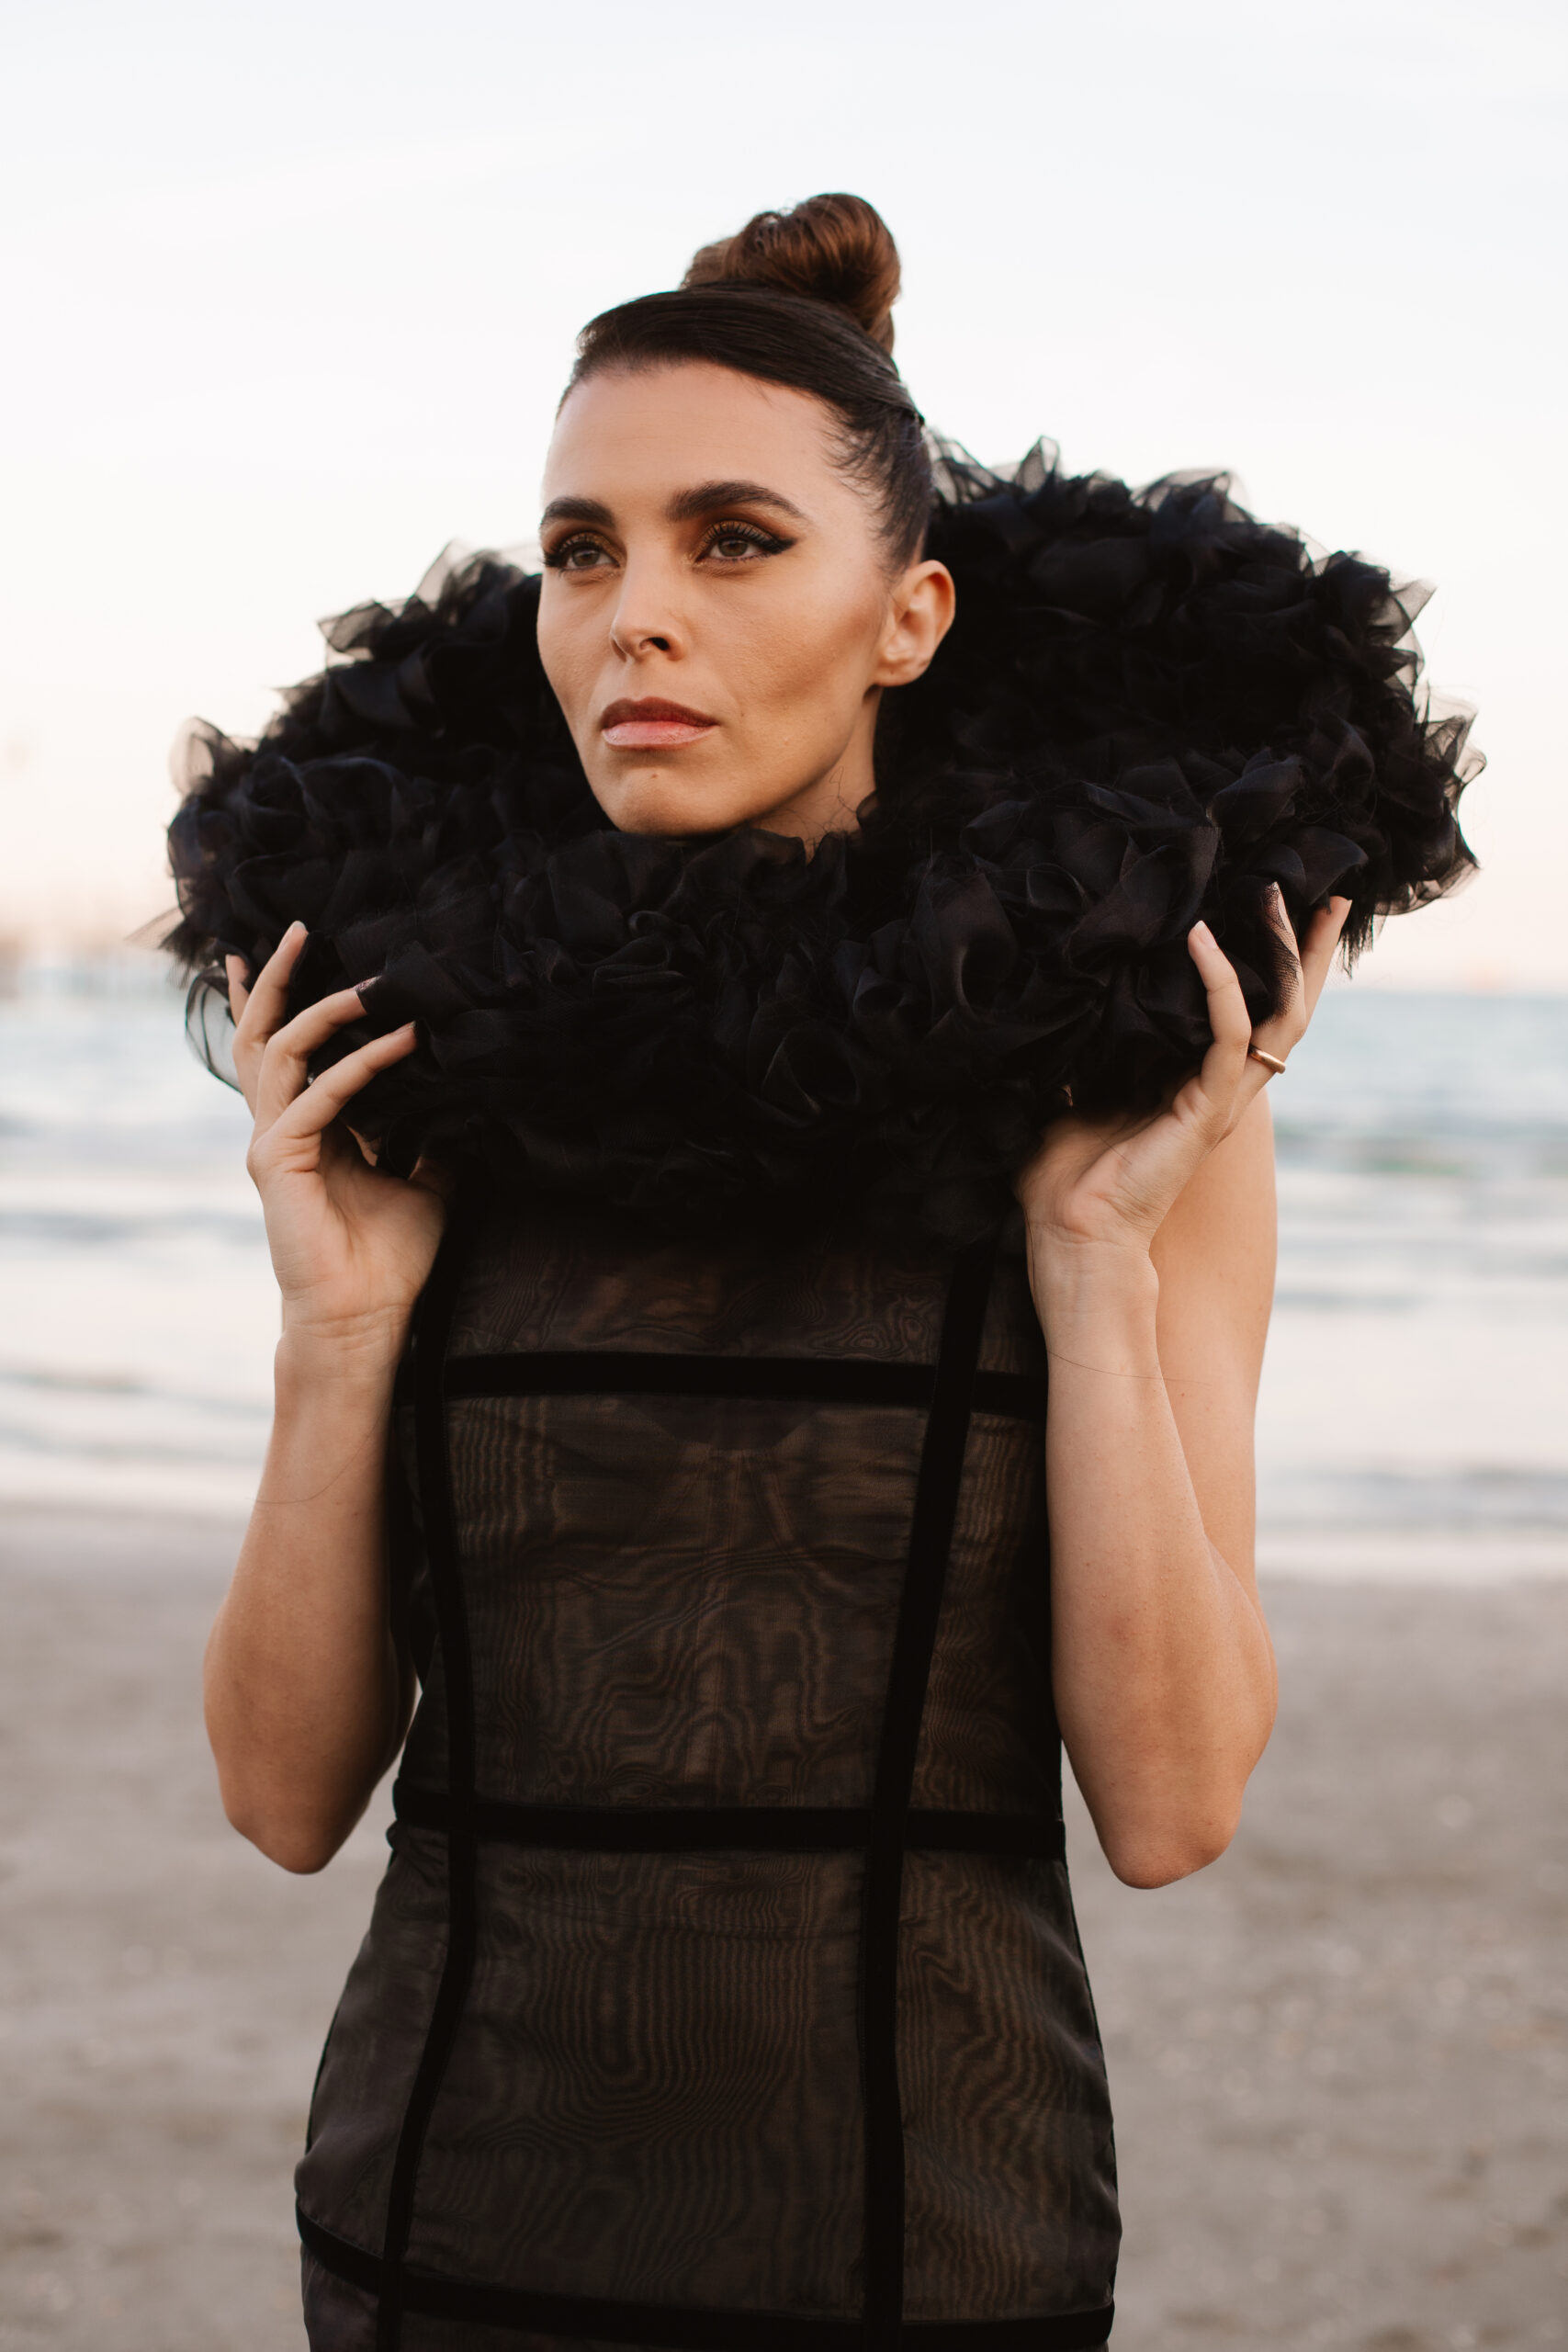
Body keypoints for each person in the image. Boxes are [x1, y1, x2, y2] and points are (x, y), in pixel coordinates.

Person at [163, 194, 1475, 2352]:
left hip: (929, 2248)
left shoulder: (1123, 1101)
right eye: (580, 550)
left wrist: (1086, 1260)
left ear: (908, 614)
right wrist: (338, 1327)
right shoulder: (429, 1075)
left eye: (732, 541)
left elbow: (1169, 1800)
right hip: (438, 2237)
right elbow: (283, 1796)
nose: (634, 619)